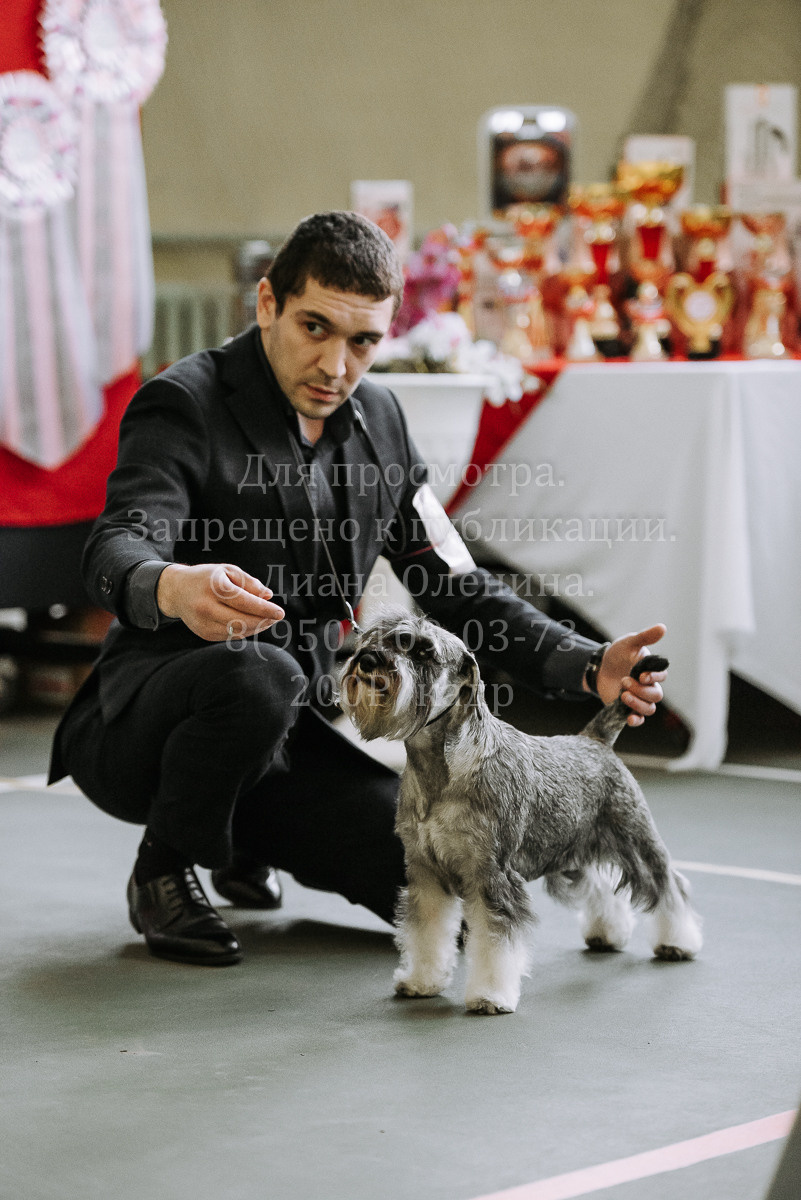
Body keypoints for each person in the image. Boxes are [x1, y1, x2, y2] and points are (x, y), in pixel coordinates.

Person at [49, 210, 668, 967]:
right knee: (260, 671)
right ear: (268, 304)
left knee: (446, 902)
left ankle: (243, 835)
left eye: (362, 342)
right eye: (315, 327)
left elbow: (456, 587)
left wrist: (584, 663)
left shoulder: (379, 418)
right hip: (145, 730)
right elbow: (115, 545)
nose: (336, 365)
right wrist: (171, 585)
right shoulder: (184, 402)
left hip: (284, 738)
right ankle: (164, 867)